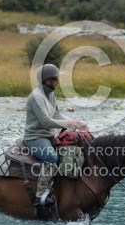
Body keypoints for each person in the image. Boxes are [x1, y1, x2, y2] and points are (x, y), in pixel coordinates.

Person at [23, 64, 88, 207]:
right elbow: (46, 122)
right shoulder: (36, 97)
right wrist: (70, 124)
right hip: (35, 138)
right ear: (47, 81)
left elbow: (56, 114)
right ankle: (40, 195)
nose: (58, 81)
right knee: (51, 157)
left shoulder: (50, 94)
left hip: (48, 136)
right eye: (55, 79)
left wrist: (77, 124)